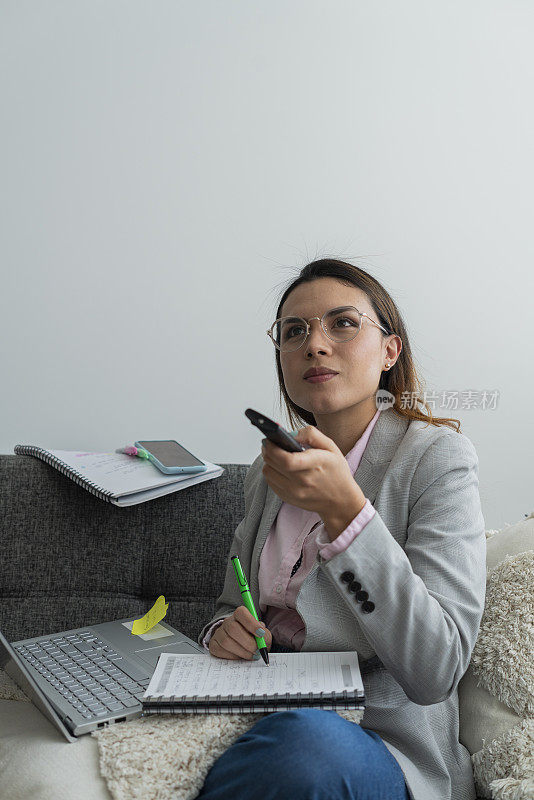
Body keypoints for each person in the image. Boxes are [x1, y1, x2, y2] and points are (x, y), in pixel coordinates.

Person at [195, 258, 486, 800]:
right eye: (294, 331)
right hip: (259, 709)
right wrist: (222, 631)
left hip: (374, 738)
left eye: (343, 323)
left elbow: (437, 666)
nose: (315, 344)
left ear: (389, 351)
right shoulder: (268, 471)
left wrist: (347, 514)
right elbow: (227, 603)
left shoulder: (436, 460)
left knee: (304, 750)